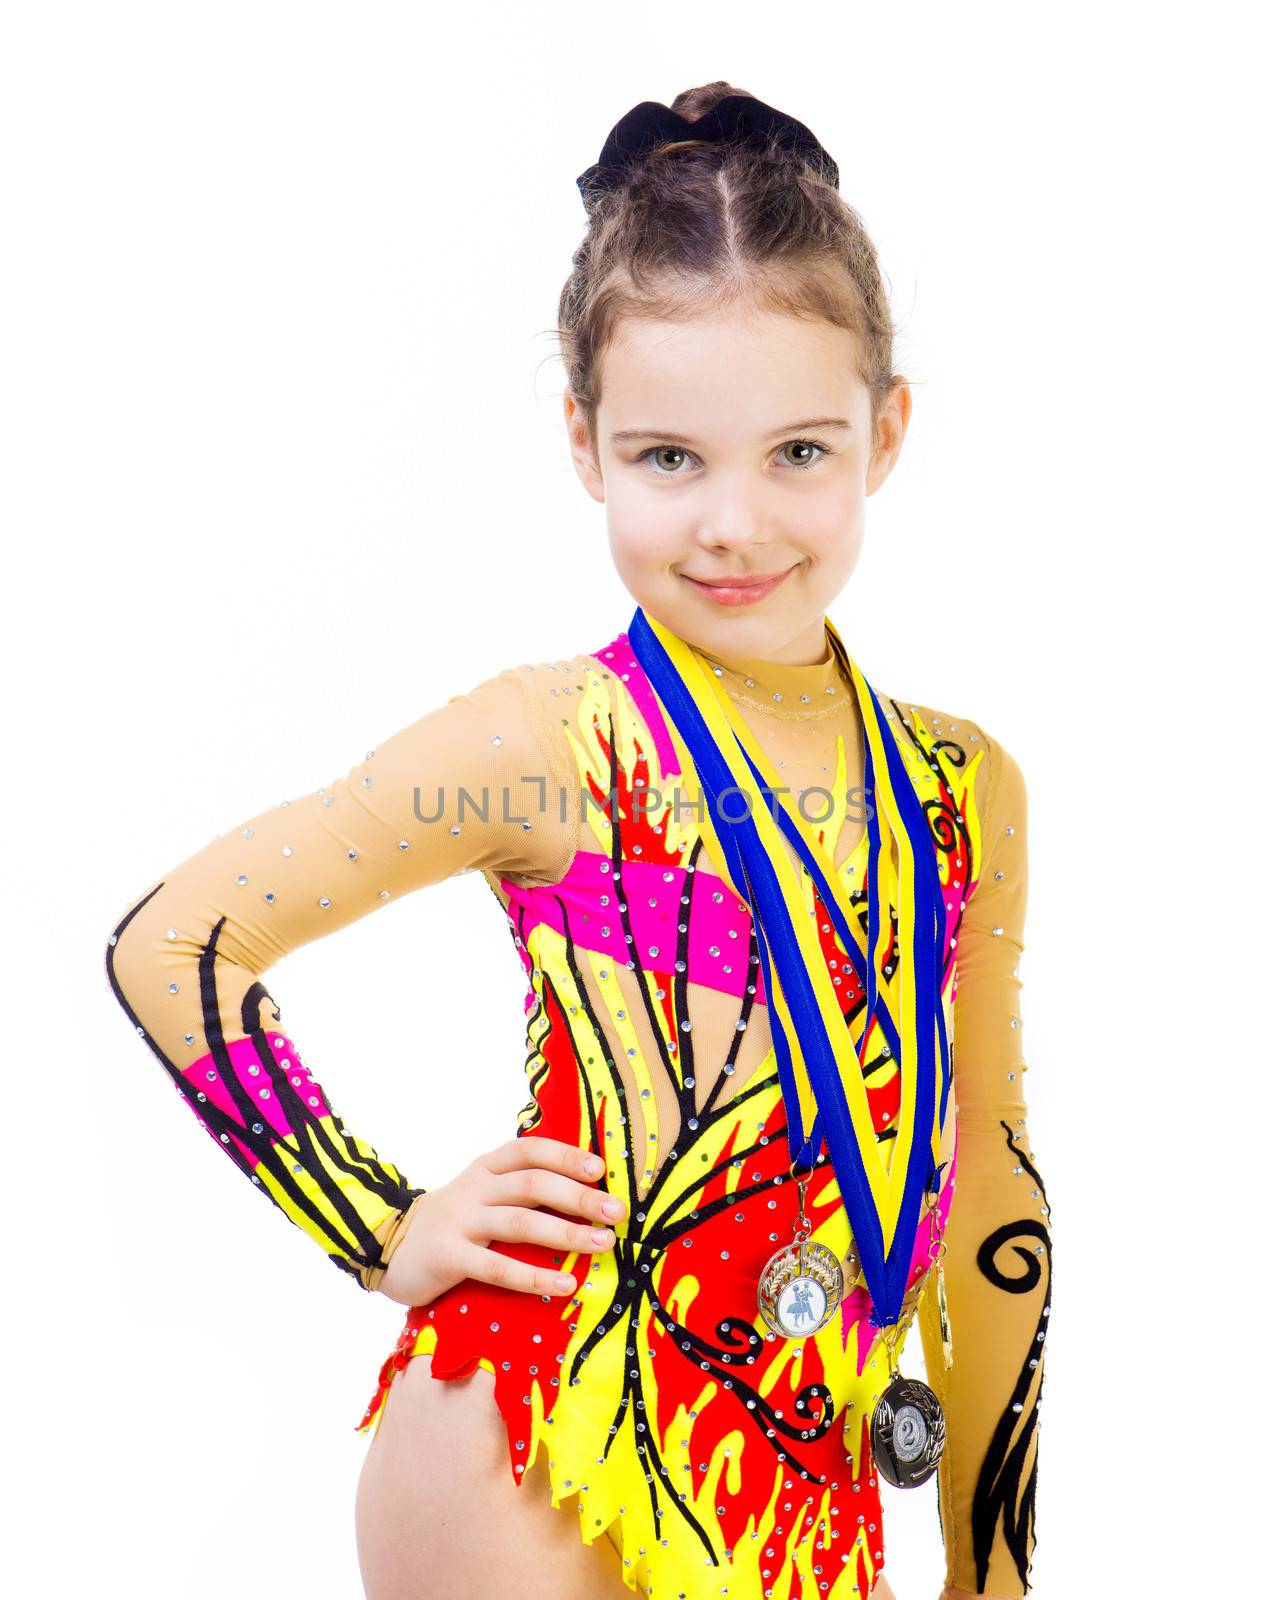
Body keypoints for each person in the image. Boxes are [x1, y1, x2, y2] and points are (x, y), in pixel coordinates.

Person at [105, 81, 1051, 1600]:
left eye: (796, 453)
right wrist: (381, 1223)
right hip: (545, 1441)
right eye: (670, 458)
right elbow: (177, 940)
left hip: (813, 1465)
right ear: (583, 441)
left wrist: (988, 1560)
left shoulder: (962, 787)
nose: (734, 523)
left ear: (887, 433)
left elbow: (992, 1182)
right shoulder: (541, 745)